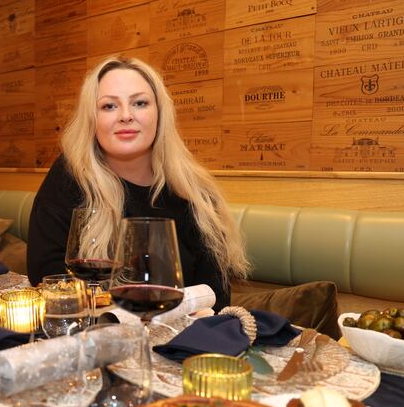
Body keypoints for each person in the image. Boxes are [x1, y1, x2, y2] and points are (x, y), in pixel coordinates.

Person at [27, 56, 249, 310]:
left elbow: (216, 297)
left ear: (159, 114)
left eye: (140, 103)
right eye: (109, 106)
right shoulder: (69, 178)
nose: (125, 116)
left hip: (181, 340)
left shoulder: (194, 191)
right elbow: (48, 278)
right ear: (92, 119)